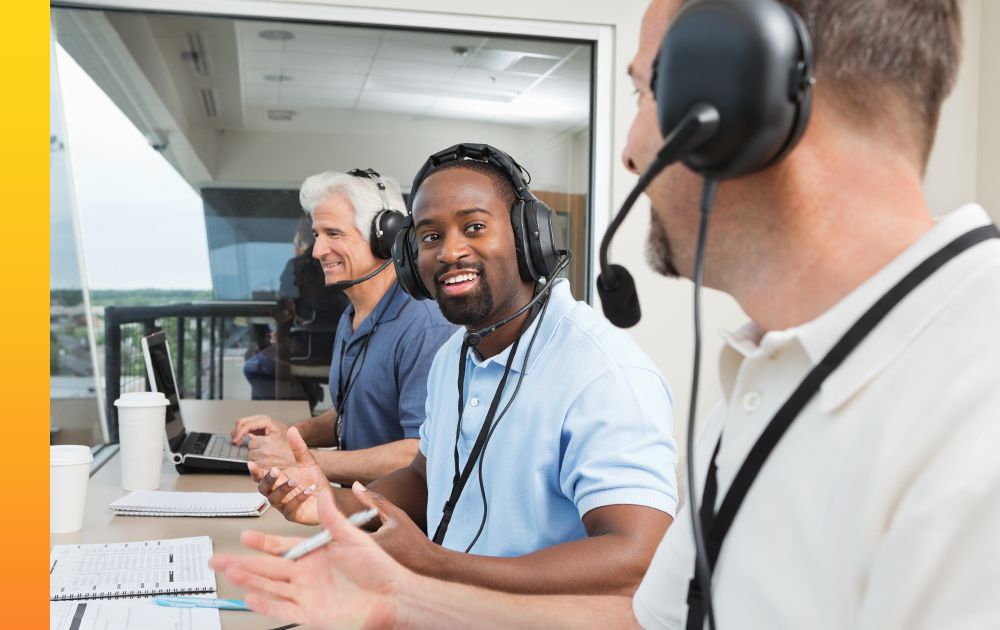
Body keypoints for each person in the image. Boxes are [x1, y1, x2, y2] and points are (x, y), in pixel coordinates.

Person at [211, 0, 1000, 627]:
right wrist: (397, 600)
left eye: (648, 91)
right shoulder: (765, 375)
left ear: (743, 96)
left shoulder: (971, 404)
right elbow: (648, 619)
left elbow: (629, 562)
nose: (630, 147)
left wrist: (434, 572)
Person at [245, 145, 679, 595]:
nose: (450, 251)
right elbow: (423, 480)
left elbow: (636, 556)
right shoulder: (454, 354)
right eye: (430, 237)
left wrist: (438, 565)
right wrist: (329, 502)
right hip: (446, 605)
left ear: (528, 237)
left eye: (474, 227)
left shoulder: (603, 371)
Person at [231, 169, 455, 485]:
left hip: (398, 525)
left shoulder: (425, 326)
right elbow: (355, 410)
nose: (317, 250)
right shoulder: (352, 316)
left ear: (386, 237)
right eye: (317, 235)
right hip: (353, 508)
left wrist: (304, 460)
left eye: (334, 234)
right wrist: (292, 434)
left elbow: (418, 454)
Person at [242, 212, 350, 407]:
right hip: (342, 352)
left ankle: (297, 409)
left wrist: (283, 333)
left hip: (307, 353)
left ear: (302, 238)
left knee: (252, 365)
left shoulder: (296, 268)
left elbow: (282, 310)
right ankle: (305, 399)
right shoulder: (345, 266)